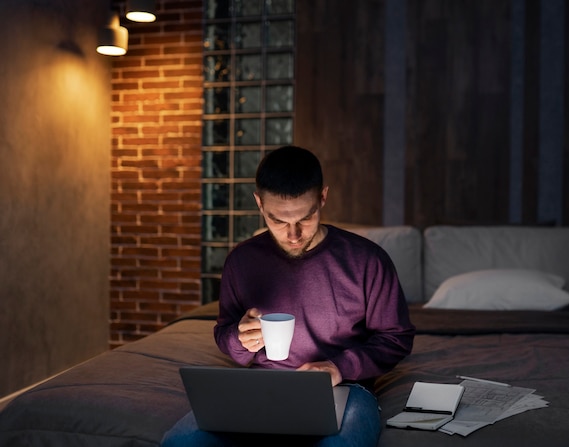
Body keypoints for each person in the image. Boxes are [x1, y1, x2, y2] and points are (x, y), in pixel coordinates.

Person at [162, 145, 415, 447]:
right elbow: (225, 333)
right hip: (261, 385)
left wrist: (338, 367)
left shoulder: (367, 260)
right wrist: (240, 340)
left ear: (323, 197)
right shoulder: (241, 261)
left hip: (345, 388)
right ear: (259, 203)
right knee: (182, 442)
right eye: (278, 221)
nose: (293, 235)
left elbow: (395, 338)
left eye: (305, 219)